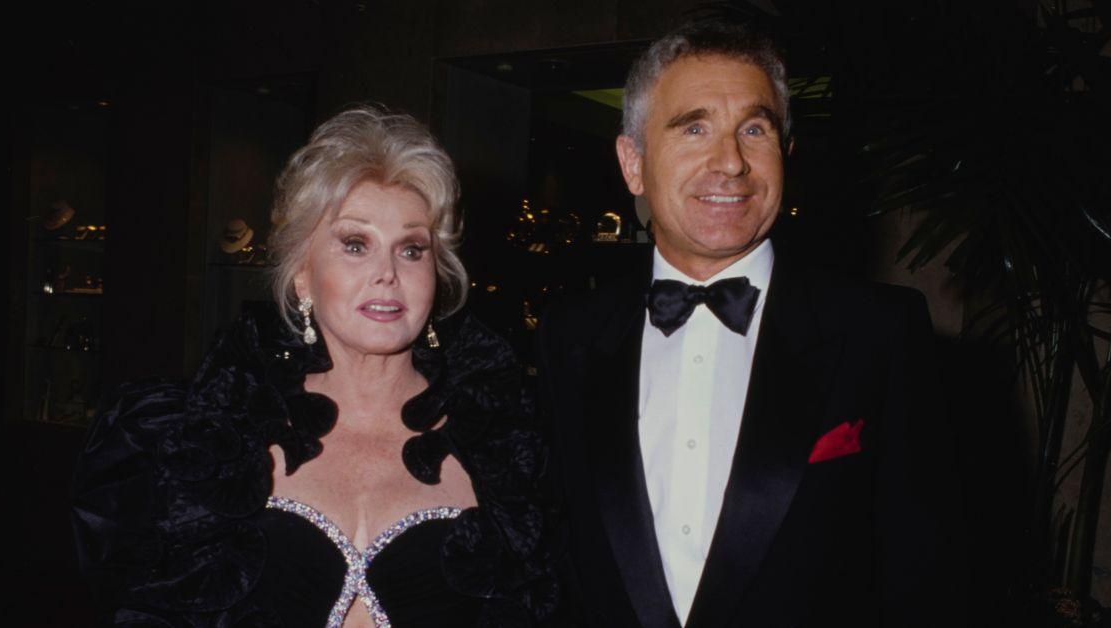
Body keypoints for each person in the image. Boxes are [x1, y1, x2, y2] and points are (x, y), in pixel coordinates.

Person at [535, 19, 965, 628]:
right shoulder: (568, 336)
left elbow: (924, 580)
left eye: (754, 129)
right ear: (633, 163)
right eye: (695, 127)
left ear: (786, 154)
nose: (731, 162)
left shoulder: (881, 332)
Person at [73, 106, 556, 627]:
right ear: (303, 275)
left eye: (412, 250)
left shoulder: (506, 449)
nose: (387, 275)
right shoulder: (215, 439)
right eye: (355, 244)